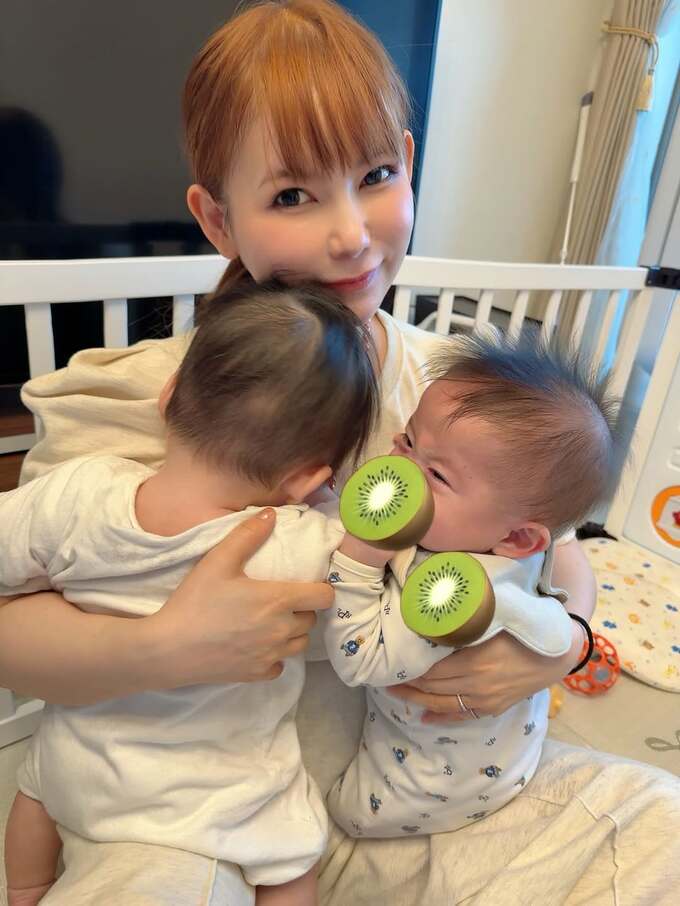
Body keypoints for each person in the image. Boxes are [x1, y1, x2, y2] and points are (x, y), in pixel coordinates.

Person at [3, 1, 679, 903]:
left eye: (376, 175)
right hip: (194, 817)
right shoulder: (154, 396)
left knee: (659, 828)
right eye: (292, 196)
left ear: (409, 162)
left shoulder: (456, 389)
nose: (352, 233)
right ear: (217, 218)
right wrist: (165, 646)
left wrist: (564, 645)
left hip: (424, 797)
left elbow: (554, 548)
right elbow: (14, 628)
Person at [1, 280, 378, 906]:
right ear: (308, 478)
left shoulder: (78, 493)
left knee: (34, 788)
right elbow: (370, 586)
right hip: (207, 806)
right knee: (291, 859)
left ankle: (28, 888)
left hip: (77, 769)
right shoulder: (294, 544)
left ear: (168, 394)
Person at [324, 331, 620, 837]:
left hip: (428, 781)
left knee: (338, 817)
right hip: (512, 749)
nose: (400, 469)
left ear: (518, 539)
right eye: (407, 441)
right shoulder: (493, 532)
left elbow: (360, 661)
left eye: (436, 476)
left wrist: (358, 560)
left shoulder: (454, 593)